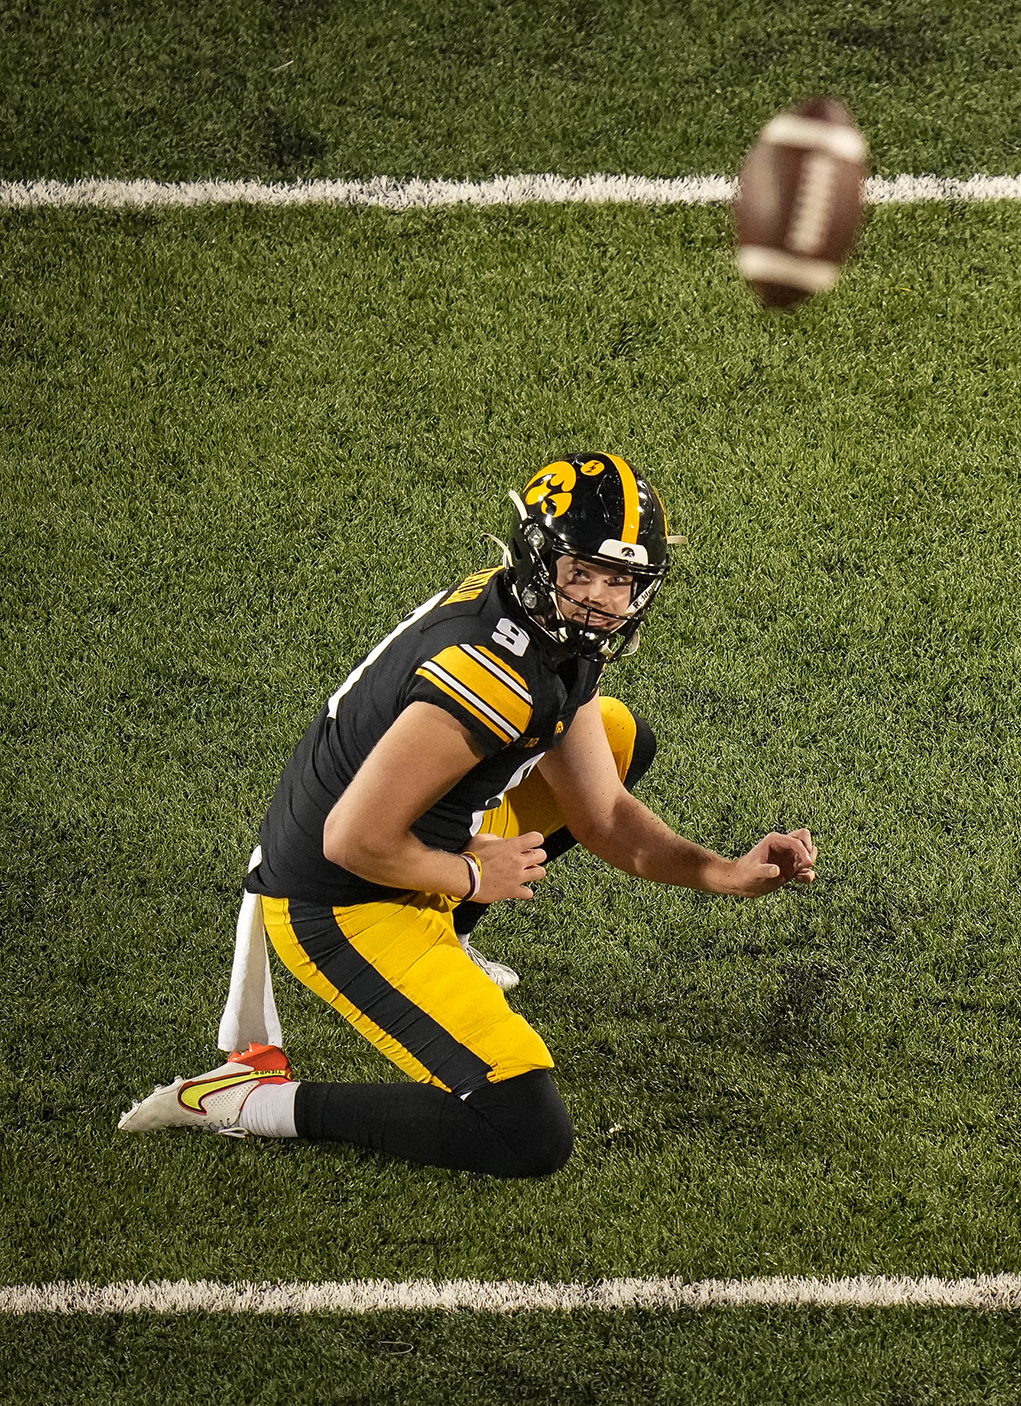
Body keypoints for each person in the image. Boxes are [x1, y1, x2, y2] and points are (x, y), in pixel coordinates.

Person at [121, 452, 817, 1177]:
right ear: (542, 561)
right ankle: (248, 1100)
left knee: (615, 738)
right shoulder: (492, 675)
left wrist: (727, 873)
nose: (601, 601)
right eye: (582, 573)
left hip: (402, 836)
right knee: (525, 1130)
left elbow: (604, 814)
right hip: (338, 895)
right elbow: (351, 837)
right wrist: (468, 873)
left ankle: (446, 934)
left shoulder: (547, 625)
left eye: (621, 581)